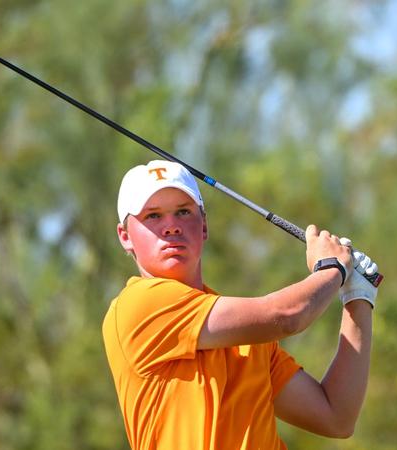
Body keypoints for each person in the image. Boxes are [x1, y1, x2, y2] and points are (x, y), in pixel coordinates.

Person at [102, 160, 379, 449]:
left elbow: (336, 417)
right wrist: (333, 268)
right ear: (125, 237)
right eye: (153, 216)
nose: (171, 226)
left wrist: (357, 298)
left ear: (204, 224)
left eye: (183, 211)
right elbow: (287, 317)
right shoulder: (138, 305)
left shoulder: (247, 337)